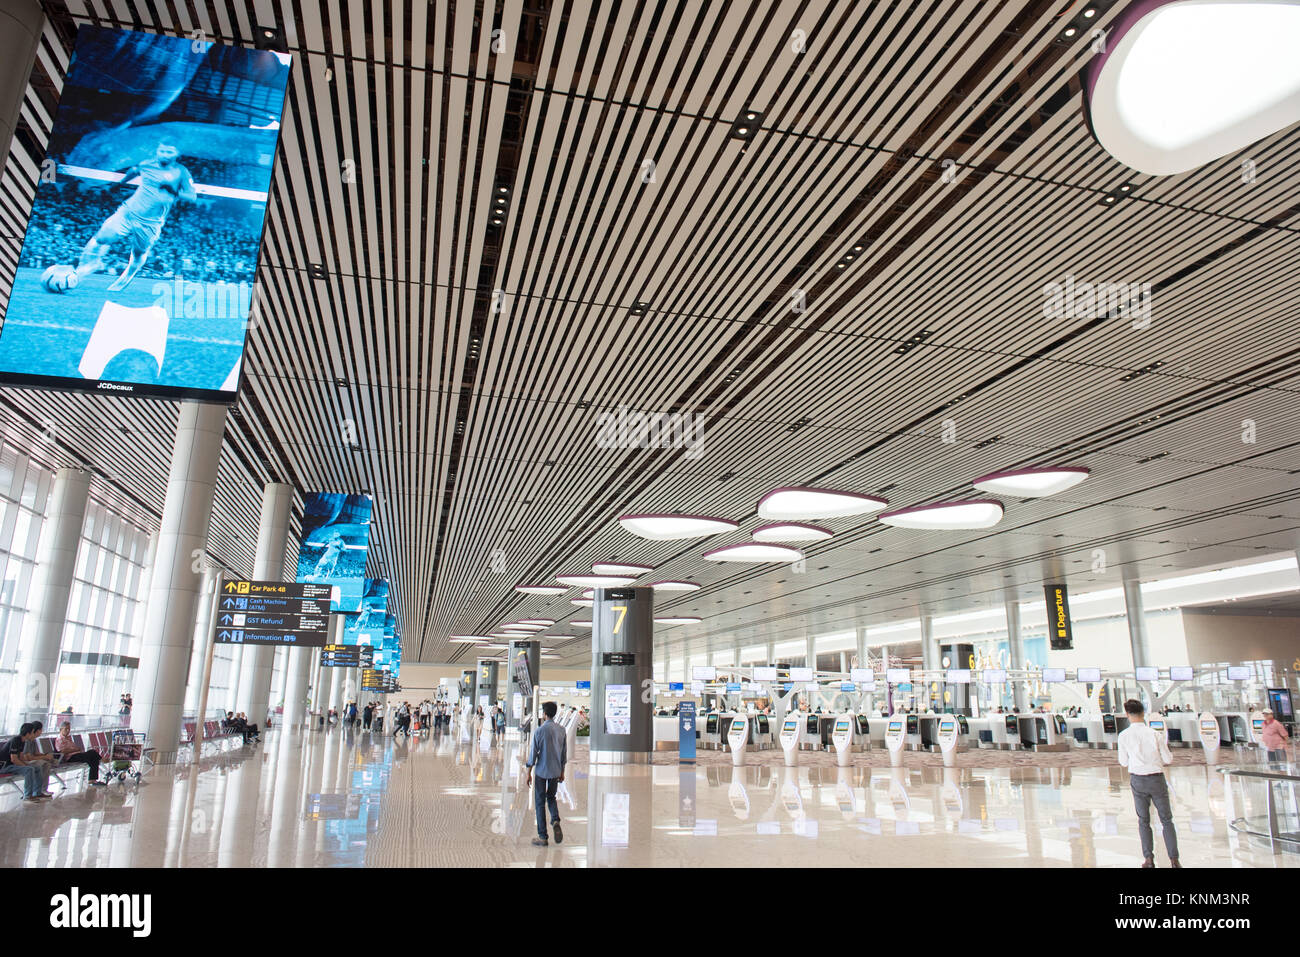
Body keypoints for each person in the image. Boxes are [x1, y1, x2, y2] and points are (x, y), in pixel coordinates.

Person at [70, 140, 196, 291]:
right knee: (102, 238)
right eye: (162, 151)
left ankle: (128, 275)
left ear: (177, 154)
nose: (164, 155)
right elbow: (134, 170)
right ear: (157, 151)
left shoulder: (182, 172)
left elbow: (192, 196)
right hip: (128, 212)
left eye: (169, 152)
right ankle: (83, 269)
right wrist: (120, 183)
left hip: (151, 222)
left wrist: (173, 191)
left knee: (139, 252)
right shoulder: (147, 164)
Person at [1117, 699, 1180, 868]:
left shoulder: (1123, 736)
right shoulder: (1155, 734)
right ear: (1143, 713)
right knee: (1166, 819)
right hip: (1157, 779)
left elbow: (1123, 762)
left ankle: (1149, 859)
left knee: (1143, 820)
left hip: (1138, 779)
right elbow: (1168, 759)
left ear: (1127, 715)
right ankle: (1174, 860)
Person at [525, 701, 567, 847]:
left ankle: (543, 836)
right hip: (555, 770)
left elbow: (533, 754)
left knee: (539, 802)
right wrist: (562, 771)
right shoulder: (561, 730)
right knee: (551, 797)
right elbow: (563, 754)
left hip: (542, 771)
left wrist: (528, 772)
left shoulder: (539, 731)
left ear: (544, 714)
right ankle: (555, 819)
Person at [1, 723, 53, 801]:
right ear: (28, 733)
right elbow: (14, 759)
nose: (33, 734)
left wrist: (27, 764)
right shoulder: (15, 740)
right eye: (32, 732)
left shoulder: (23, 741)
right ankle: (28, 796)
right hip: (4, 766)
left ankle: (37, 793)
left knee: (37, 768)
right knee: (29, 770)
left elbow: (21, 757)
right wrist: (26, 766)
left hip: (12, 765)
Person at [53, 721, 105, 786]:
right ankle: (101, 761)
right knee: (92, 753)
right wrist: (75, 749)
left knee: (93, 758)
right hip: (71, 757)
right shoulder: (59, 739)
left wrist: (76, 749)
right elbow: (62, 751)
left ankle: (93, 780)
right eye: (66, 729)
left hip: (77, 755)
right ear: (61, 729)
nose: (68, 730)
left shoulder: (68, 738)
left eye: (69, 729)